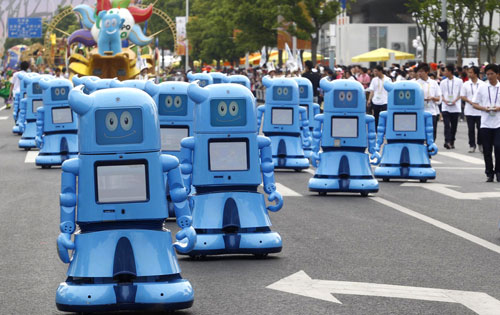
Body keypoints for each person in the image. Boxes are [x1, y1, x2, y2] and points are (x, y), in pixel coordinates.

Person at [472, 64, 500, 182]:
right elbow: (474, 103)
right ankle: (489, 173)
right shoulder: (482, 87)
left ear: (497, 74)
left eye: (491, 74)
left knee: (498, 148)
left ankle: (498, 171)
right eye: (487, 74)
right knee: (487, 149)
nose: (489, 76)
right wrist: (485, 109)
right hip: (485, 123)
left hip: (499, 123)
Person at [461, 66, 485, 153]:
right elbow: (462, 96)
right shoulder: (466, 84)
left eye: (471, 72)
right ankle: (472, 145)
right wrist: (470, 102)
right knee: (470, 129)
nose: (469, 74)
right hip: (469, 110)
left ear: (475, 73)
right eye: (468, 72)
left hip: (480, 110)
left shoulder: (482, 84)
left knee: (480, 129)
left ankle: (480, 144)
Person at [440, 64, 463, 149]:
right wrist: (444, 100)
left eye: (445, 70)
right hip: (445, 106)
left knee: (454, 126)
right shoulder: (442, 82)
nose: (444, 72)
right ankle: (447, 141)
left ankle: (452, 140)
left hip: (455, 106)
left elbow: (461, 93)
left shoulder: (459, 81)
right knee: (446, 125)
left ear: (450, 71)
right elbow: (441, 93)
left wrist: (455, 100)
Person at [417, 63, 442, 141]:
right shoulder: (416, 83)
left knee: (432, 133)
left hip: (432, 112)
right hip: (419, 112)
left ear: (427, 72)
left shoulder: (433, 83)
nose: (419, 73)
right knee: (421, 133)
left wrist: (432, 98)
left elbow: (439, 98)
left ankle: (430, 148)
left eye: (421, 71)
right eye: (418, 71)